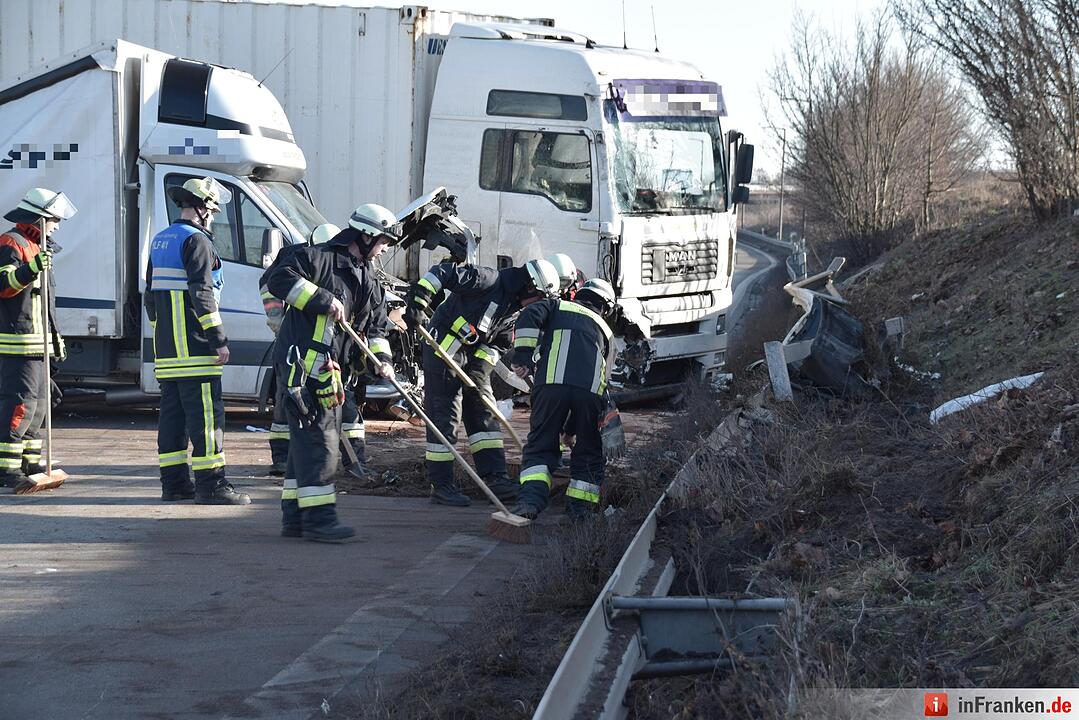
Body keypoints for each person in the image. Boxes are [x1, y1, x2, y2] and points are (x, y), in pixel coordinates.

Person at [261, 204, 396, 542]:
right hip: (302, 368)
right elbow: (276, 278)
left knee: (304, 445)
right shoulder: (315, 258)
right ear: (364, 236)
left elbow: (378, 330)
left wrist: (383, 362)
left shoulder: (369, 282)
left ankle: (294, 519)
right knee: (320, 443)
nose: (384, 249)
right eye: (382, 241)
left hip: (332, 372)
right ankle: (320, 519)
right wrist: (320, 297)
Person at [404, 256, 561, 507]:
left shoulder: (515, 308)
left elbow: (498, 344)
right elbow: (443, 272)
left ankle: (495, 478)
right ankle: (442, 486)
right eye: (540, 298)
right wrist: (418, 302)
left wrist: (480, 371)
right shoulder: (488, 279)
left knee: (485, 413)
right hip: (441, 354)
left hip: (470, 362)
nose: (539, 305)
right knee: (446, 417)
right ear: (530, 286)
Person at [145, 178, 249, 504]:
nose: (214, 217)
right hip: (195, 348)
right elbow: (203, 293)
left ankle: (173, 484)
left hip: (167, 351)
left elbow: (150, 297)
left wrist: (162, 336)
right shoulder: (198, 242)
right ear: (203, 208)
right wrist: (218, 339)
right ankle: (211, 486)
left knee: (173, 420)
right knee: (206, 419)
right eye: (213, 211)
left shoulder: (161, 240)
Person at [509, 278, 617, 520]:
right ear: (606, 308)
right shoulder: (608, 334)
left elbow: (528, 316)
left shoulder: (557, 306)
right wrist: (573, 430)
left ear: (580, 294)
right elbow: (604, 381)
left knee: (540, 447)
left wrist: (524, 354)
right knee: (589, 452)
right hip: (590, 395)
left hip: (550, 388)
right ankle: (579, 514)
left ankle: (530, 502)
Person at [0, 188, 76, 490]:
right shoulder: (12, 243)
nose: (57, 225)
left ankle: (30, 463)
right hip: (18, 344)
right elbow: (3, 285)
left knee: (40, 408)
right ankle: (7, 470)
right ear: (39, 218)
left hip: (37, 345)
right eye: (54, 219)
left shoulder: (37, 246)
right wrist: (31, 269)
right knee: (21, 406)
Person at [261, 223, 340, 477]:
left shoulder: (331, 263)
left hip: (311, 344)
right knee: (286, 396)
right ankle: (281, 457)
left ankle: (300, 457)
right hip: (289, 340)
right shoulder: (296, 257)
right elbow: (267, 285)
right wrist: (277, 321)